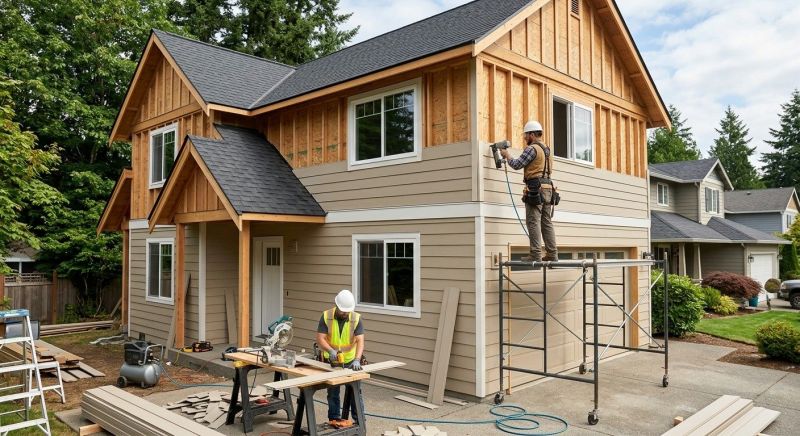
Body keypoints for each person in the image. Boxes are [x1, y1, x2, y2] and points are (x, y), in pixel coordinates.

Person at [501, 120, 558, 262]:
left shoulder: (531, 149)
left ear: (532, 134)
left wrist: (507, 155)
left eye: (526, 135)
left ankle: (535, 254)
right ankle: (552, 254)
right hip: (548, 189)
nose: (525, 138)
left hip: (535, 188)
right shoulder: (547, 150)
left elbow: (516, 164)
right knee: (546, 222)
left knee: (533, 222)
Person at [316, 289, 365, 426]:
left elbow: (360, 341)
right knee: (333, 392)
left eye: (347, 311)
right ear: (336, 306)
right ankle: (335, 419)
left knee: (356, 392)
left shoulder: (356, 318)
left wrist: (357, 359)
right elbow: (320, 338)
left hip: (350, 360)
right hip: (332, 361)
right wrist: (330, 350)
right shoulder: (326, 316)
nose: (345, 313)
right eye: (343, 310)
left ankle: (360, 420)